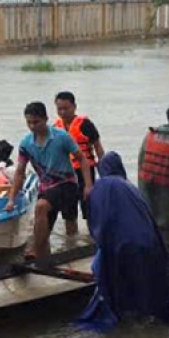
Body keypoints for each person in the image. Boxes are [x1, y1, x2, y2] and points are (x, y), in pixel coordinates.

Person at [74, 152, 169, 332]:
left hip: (121, 246)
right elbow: (150, 221)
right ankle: (149, 317)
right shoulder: (131, 188)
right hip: (150, 244)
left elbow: (98, 225)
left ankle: (122, 316)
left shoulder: (100, 187)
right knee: (146, 281)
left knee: (102, 271)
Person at [6, 101, 95, 260]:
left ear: (46, 119)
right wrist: (12, 198)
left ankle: (56, 251)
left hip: (67, 185)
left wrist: (88, 185)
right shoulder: (26, 144)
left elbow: (82, 160)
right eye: (29, 122)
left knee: (61, 218)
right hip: (46, 188)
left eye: (36, 122)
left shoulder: (61, 137)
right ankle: (42, 258)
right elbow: (20, 173)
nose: (32, 126)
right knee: (44, 223)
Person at [53, 90, 106, 236]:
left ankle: (93, 240)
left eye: (66, 108)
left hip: (85, 173)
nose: (62, 112)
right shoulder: (55, 127)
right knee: (68, 214)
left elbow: (98, 147)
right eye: (59, 109)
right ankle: (71, 243)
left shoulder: (85, 124)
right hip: (65, 175)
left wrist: (104, 172)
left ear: (74, 107)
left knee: (89, 210)